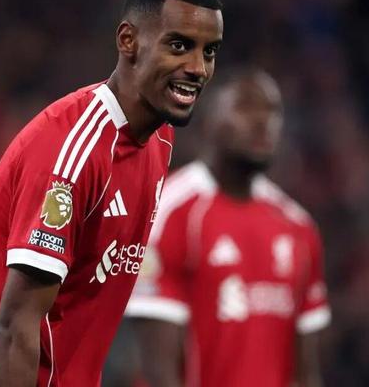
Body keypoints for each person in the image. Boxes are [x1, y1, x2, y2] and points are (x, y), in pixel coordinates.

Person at [0, 0, 223, 387]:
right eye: (179, 45)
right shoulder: (71, 153)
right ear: (128, 40)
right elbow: (16, 327)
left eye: (209, 51)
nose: (197, 67)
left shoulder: (160, 138)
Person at [124, 69, 331, 387]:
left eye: (272, 111)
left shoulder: (298, 228)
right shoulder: (170, 213)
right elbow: (158, 370)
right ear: (208, 120)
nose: (262, 121)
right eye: (245, 107)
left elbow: (306, 373)